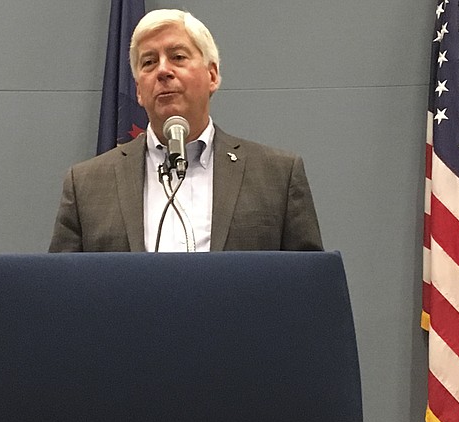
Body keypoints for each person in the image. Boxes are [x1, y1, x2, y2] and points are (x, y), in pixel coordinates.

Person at [49, 9, 322, 253]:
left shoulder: (277, 175)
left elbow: (309, 289)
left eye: (178, 57)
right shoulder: (87, 184)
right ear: (138, 92)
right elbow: (62, 293)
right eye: (149, 62)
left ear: (212, 76)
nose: (163, 70)